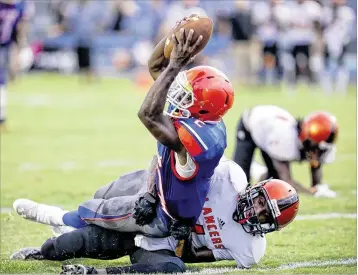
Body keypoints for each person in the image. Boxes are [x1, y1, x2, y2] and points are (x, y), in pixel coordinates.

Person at [14, 27, 235, 240]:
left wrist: (176, 64)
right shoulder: (198, 116)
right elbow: (157, 67)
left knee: (99, 210)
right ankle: (78, 226)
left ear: (201, 108)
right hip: (156, 181)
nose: (178, 95)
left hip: (164, 212)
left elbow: (148, 115)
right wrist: (171, 41)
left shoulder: (195, 143)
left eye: (186, 96)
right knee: (104, 193)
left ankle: (59, 220)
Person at [11, 158, 299, 274]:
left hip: (159, 244)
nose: (256, 210)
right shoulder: (229, 176)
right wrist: (153, 197)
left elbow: (195, 256)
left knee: (174, 268)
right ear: (256, 189)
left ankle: (93, 272)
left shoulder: (250, 250)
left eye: (264, 215)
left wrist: (184, 240)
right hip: (150, 207)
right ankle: (53, 233)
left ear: (271, 228)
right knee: (74, 241)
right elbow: (174, 165)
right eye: (261, 201)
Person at [233, 105, 338, 198]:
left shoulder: (310, 142)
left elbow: (315, 164)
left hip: (270, 132)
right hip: (250, 124)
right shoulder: (286, 139)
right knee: (240, 180)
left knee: (273, 179)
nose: (318, 153)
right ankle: (254, 170)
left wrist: (318, 186)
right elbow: (287, 183)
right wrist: (313, 193)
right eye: (316, 149)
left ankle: (258, 172)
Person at [0, 0, 32, 130]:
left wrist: (19, 50)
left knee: (2, 83)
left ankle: (1, 119)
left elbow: (20, 30)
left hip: (5, 47)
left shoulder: (19, 7)